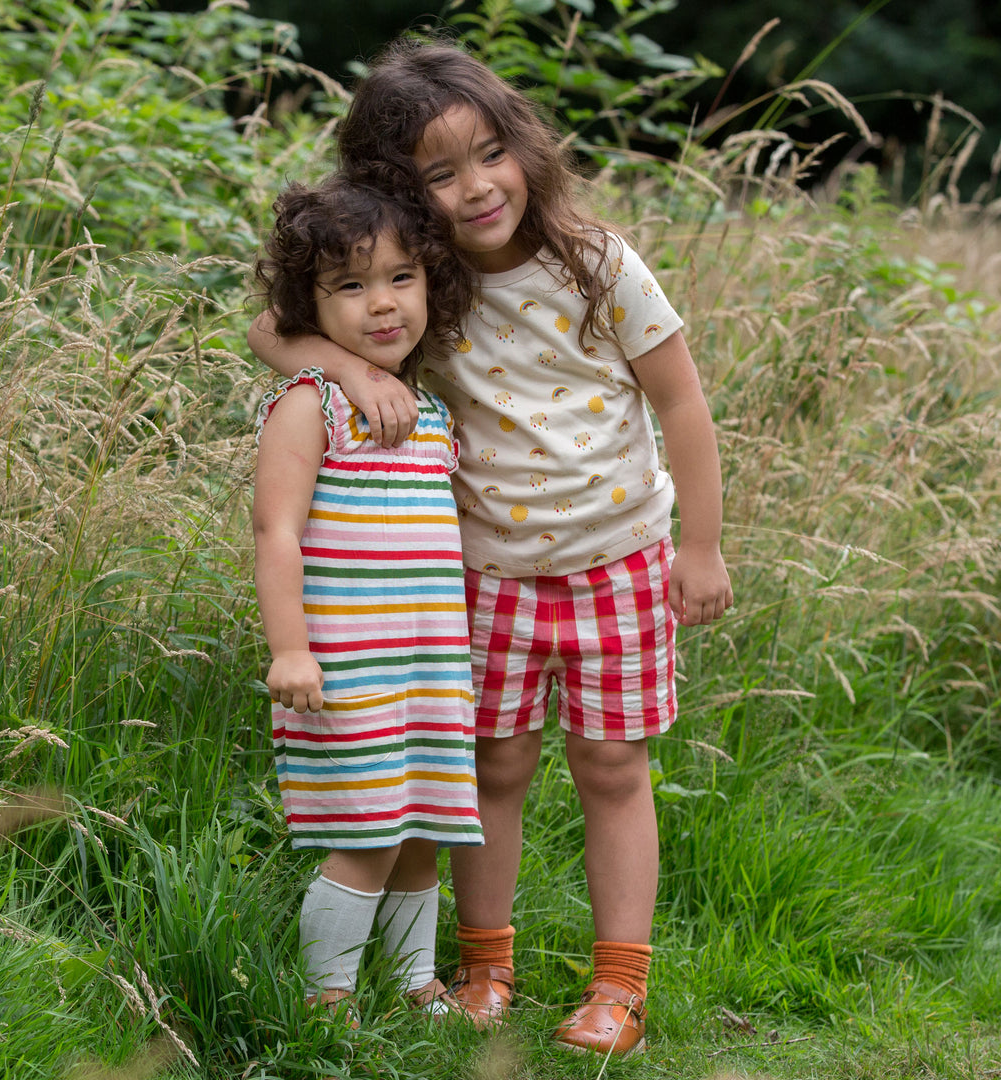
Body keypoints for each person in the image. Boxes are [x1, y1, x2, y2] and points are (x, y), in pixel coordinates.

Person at [248, 38, 734, 1057]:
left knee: (612, 764)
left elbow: (681, 400)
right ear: (399, 189)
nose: (473, 189)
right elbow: (270, 330)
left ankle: (619, 988)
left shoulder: (594, 263)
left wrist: (703, 544)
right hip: (488, 576)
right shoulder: (422, 283)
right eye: (436, 172)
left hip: (622, 559)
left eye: (488, 154)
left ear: (524, 148)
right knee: (493, 766)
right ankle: (484, 966)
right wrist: (350, 363)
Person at [251, 173, 483, 1024]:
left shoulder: (425, 413)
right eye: (350, 285)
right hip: (348, 668)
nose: (381, 305)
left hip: (427, 667)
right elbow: (275, 530)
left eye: (399, 278)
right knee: (366, 836)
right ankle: (328, 997)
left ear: (431, 284)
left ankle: (415, 980)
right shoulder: (313, 405)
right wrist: (290, 648)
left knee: (424, 830)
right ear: (310, 306)